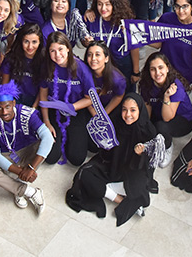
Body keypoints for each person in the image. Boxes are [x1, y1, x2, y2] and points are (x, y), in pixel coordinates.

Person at [65, 93, 160, 225]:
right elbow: (105, 154)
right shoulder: (114, 123)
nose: (128, 115)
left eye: (133, 110)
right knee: (84, 174)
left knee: (140, 185)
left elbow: (149, 164)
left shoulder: (148, 130)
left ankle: (109, 190)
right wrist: (105, 145)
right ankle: (119, 200)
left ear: (140, 110)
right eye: (124, 109)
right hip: (111, 167)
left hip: (131, 172)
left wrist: (140, 154)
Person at [0, 82, 52, 212]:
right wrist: (20, 172)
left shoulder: (26, 113)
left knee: (46, 143)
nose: (4, 112)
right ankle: (27, 191)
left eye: (7, 106)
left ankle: (19, 184)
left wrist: (31, 168)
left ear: (14, 103)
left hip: (28, 149)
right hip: (7, 154)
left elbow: (47, 137)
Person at [40, 32, 94, 165]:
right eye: (52, 50)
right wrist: (46, 122)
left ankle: (75, 136)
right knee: (51, 157)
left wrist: (71, 107)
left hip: (76, 109)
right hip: (54, 108)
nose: (57, 55)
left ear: (68, 48)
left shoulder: (81, 68)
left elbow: (90, 98)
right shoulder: (47, 67)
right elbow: (43, 95)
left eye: (60, 49)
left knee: (76, 159)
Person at [154, 0, 192, 88]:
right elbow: (158, 44)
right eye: (177, 6)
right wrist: (139, 40)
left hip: (184, 75)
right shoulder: (166, 19)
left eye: (185, 6)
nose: (180, 10)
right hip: (164, 72)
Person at [0, 23, 45, 107]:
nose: (30, 46)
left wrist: (33, 109)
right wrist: (9, 103)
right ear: (21, 41)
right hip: (14, 97)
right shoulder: (11, 57)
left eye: (34, 42)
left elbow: (43, 90)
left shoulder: (44, 60)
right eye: (26, 41)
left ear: (40, 42)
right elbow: (5, 85)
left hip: (35, 99)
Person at [83, 41, 126, 115]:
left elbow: (119, 95)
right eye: (89, 55)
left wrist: (104, 114)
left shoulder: (118, 79)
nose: (93, 58)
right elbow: (84, 96)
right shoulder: (83, 73)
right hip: (87, 106)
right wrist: (95, 114)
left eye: (97, 55)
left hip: (109, 108)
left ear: (106, 58)